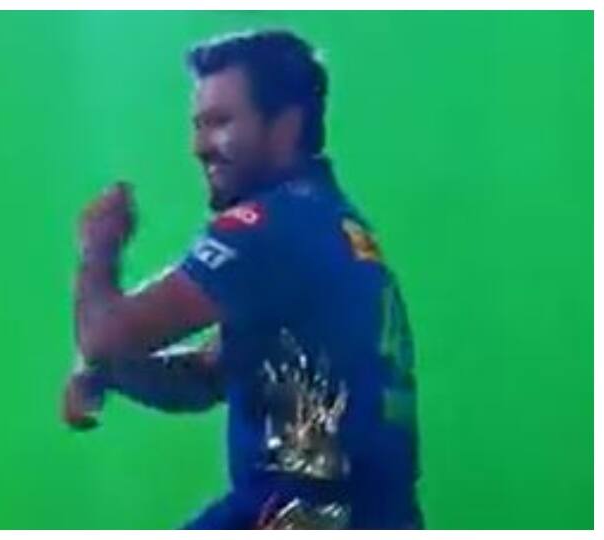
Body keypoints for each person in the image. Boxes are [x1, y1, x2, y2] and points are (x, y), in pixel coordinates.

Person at [62, 29, 423, 530]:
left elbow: (105, 335)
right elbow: (208, 377)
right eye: (198, 125)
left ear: (285, 126)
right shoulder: (332, 223)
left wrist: (99, 245)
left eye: (220, 122)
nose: (199, 146)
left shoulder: (270, 226)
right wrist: (110, 374)